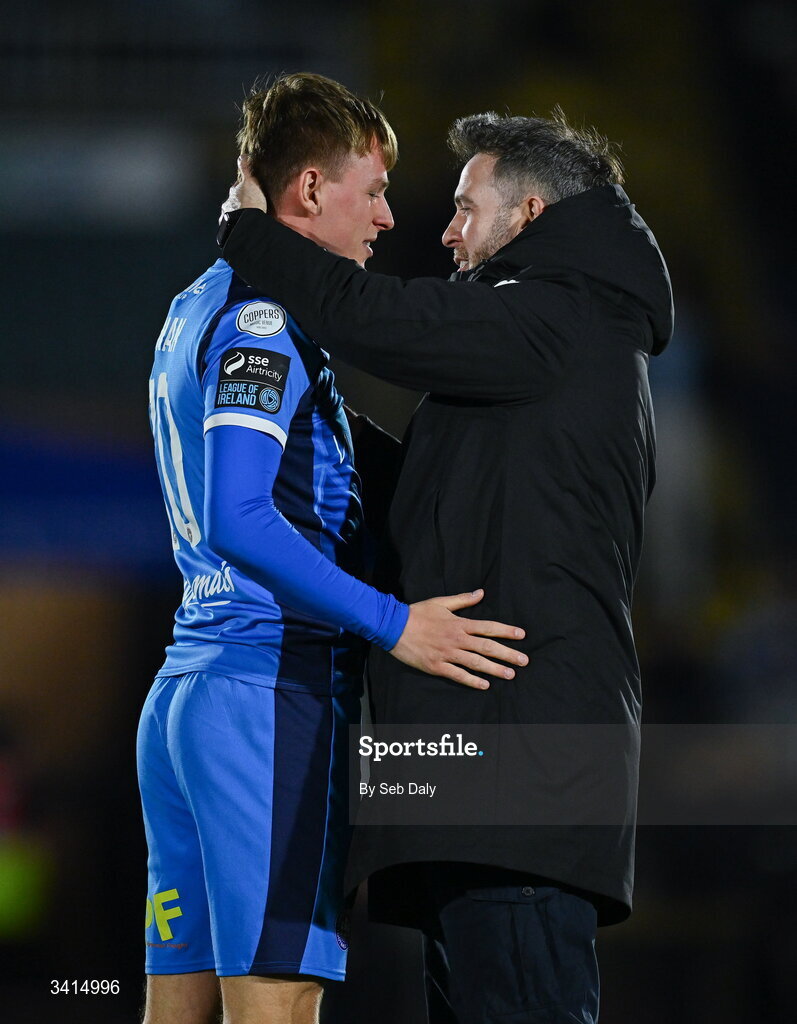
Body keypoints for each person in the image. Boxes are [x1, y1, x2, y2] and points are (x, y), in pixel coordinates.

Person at [218, 106, 673, 1024]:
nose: (444, 230)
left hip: (521, 781)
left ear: (530, 213)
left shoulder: (560, 316)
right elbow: (422, 504)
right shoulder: (537, 345)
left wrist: (247, 234)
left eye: (466, 208)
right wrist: (313, 425)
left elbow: (370, 314)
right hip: (476, 771)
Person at [138, 73, 527, 1024]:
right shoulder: (265, 317)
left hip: (186, 700)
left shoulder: (194, 304)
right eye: (374, 188)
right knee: (275, 1006)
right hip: (267, 700)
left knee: (175, 1009)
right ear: (309, 190)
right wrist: (396, 626)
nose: (390, 217)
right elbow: (239, 514)